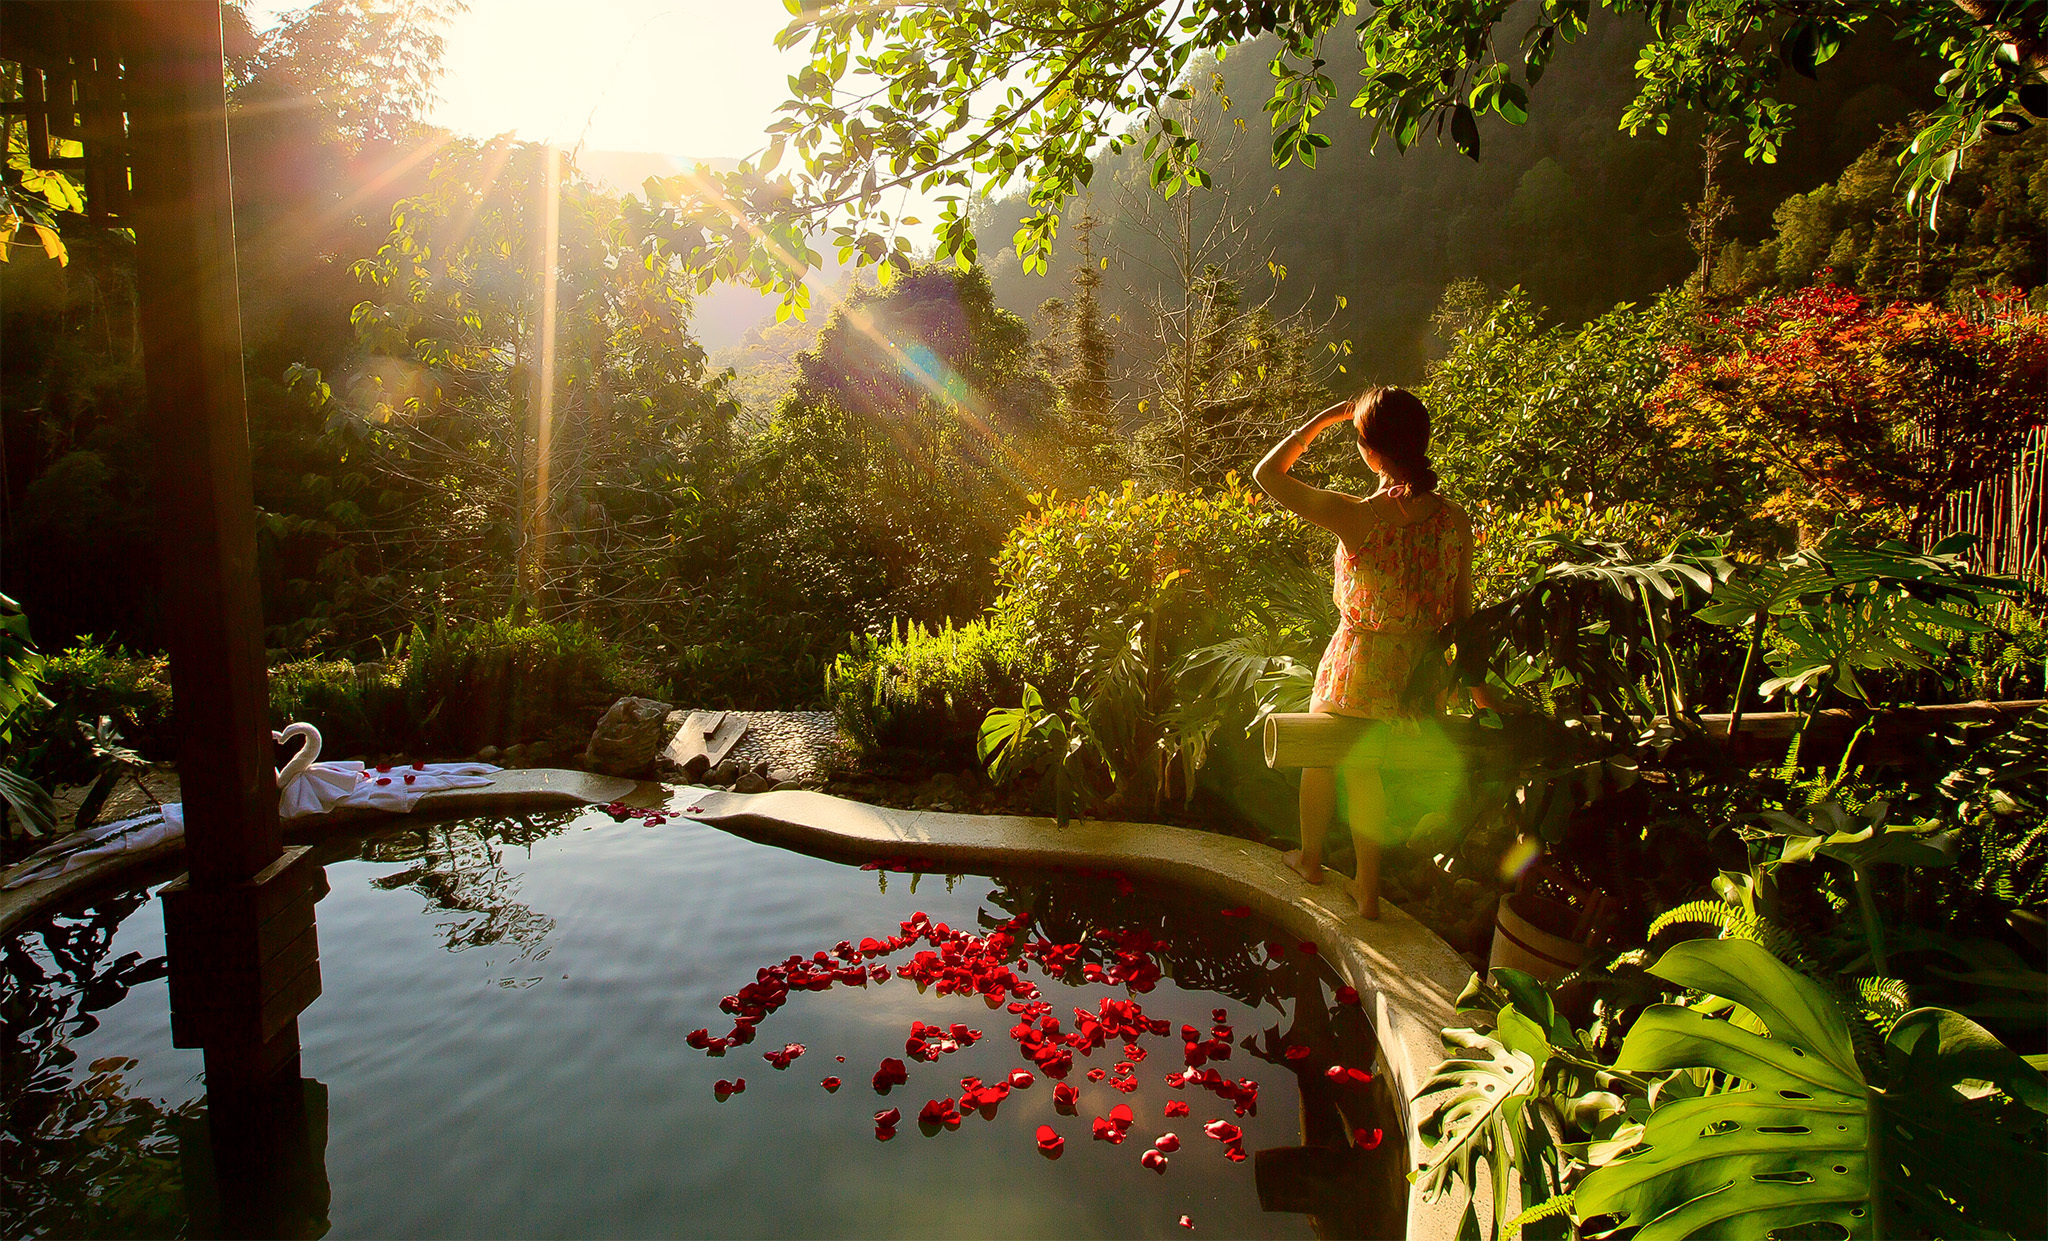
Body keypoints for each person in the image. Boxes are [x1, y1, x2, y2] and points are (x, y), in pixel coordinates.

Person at [1251, 386, 1482, 918]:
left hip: (1360, 665)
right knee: (1364, 766)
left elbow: (1266, 476)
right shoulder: (1456, 520)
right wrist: (1476, 693)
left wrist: (1320, 421)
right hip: (1419, 677)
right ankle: (1367, 888)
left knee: (1323, 749)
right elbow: (1464, 617)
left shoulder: (1361, 517)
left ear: (1369, 449)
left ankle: (1311, 859)